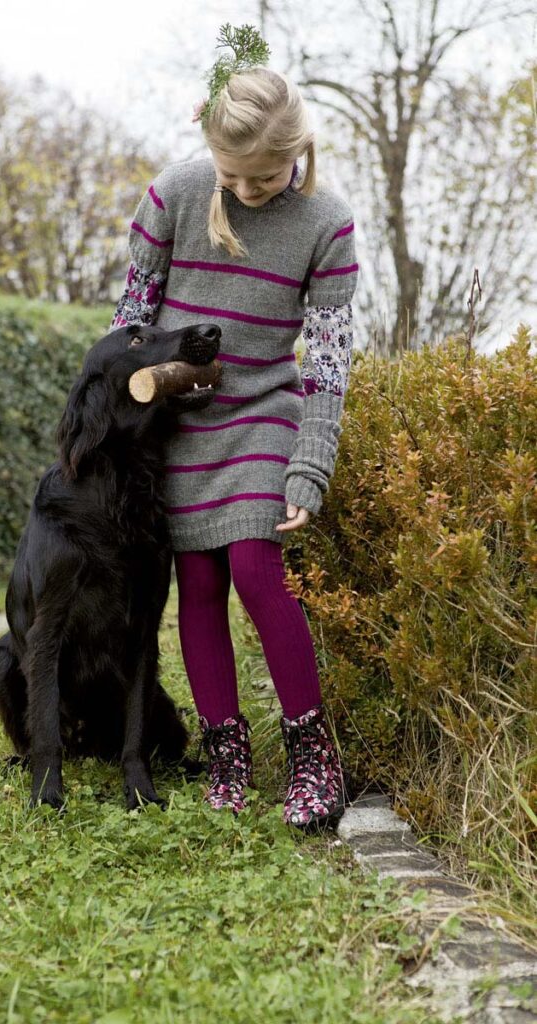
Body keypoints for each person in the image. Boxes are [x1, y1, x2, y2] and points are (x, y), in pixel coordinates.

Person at [110, 25, 358, 832]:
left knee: (254, 565)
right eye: (232, 176)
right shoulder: (175, 193)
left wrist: (309, 463)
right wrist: (126, 422)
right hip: (178, 419)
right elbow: (129, 320)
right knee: (198, 584)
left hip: (261, 412)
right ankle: (226, 753)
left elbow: (325, 363)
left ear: (298, 153)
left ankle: (313, 756)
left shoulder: (326, 223)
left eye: (265, 177)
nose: (247, 191)